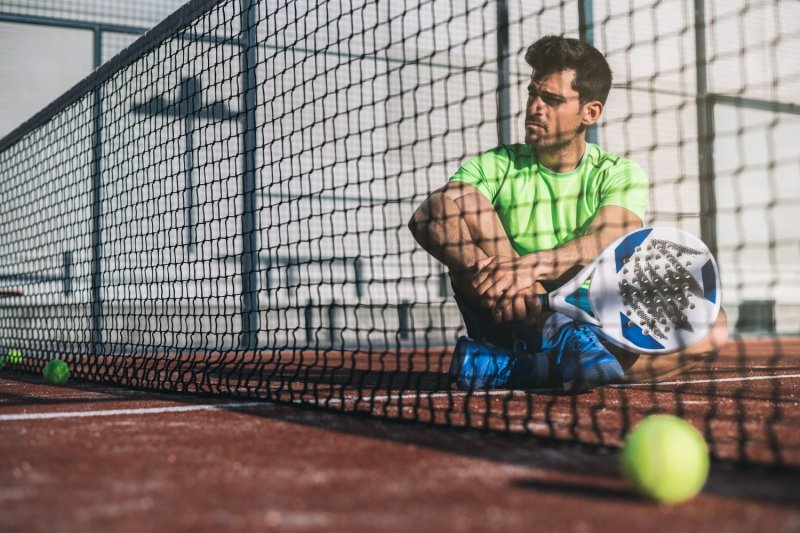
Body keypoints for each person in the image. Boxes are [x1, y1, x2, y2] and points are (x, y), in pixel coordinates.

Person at [408, 35, 728, 393]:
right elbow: (428, 214)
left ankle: (529, 368)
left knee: (712, 328)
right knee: (465, 202)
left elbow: (610, 237)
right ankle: (551, 335)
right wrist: (490, 273)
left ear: (590, 113)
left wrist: (532, 266)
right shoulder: (498, 164)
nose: (535, 107)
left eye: (552, 100)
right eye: (533, 94)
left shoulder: (618, 173)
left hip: (588, 321)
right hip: (510, 313)